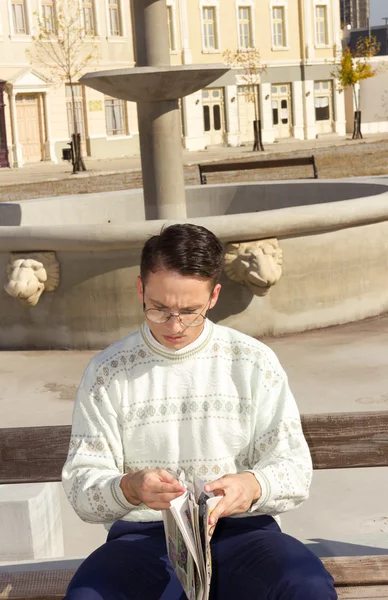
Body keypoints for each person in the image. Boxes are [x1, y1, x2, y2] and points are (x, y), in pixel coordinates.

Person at [62, 223, 337, 600]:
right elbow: (81, 485)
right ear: (140, 289)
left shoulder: (252, 361)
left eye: (190, 311)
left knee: (305, 583)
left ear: (214, 296)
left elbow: (294, 469)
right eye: (159, 309)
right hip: (142, 538)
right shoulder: (108, 371)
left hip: (244, 531)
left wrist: (251, 486)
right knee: (88, 597)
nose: (175, 326)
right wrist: (129, 488)